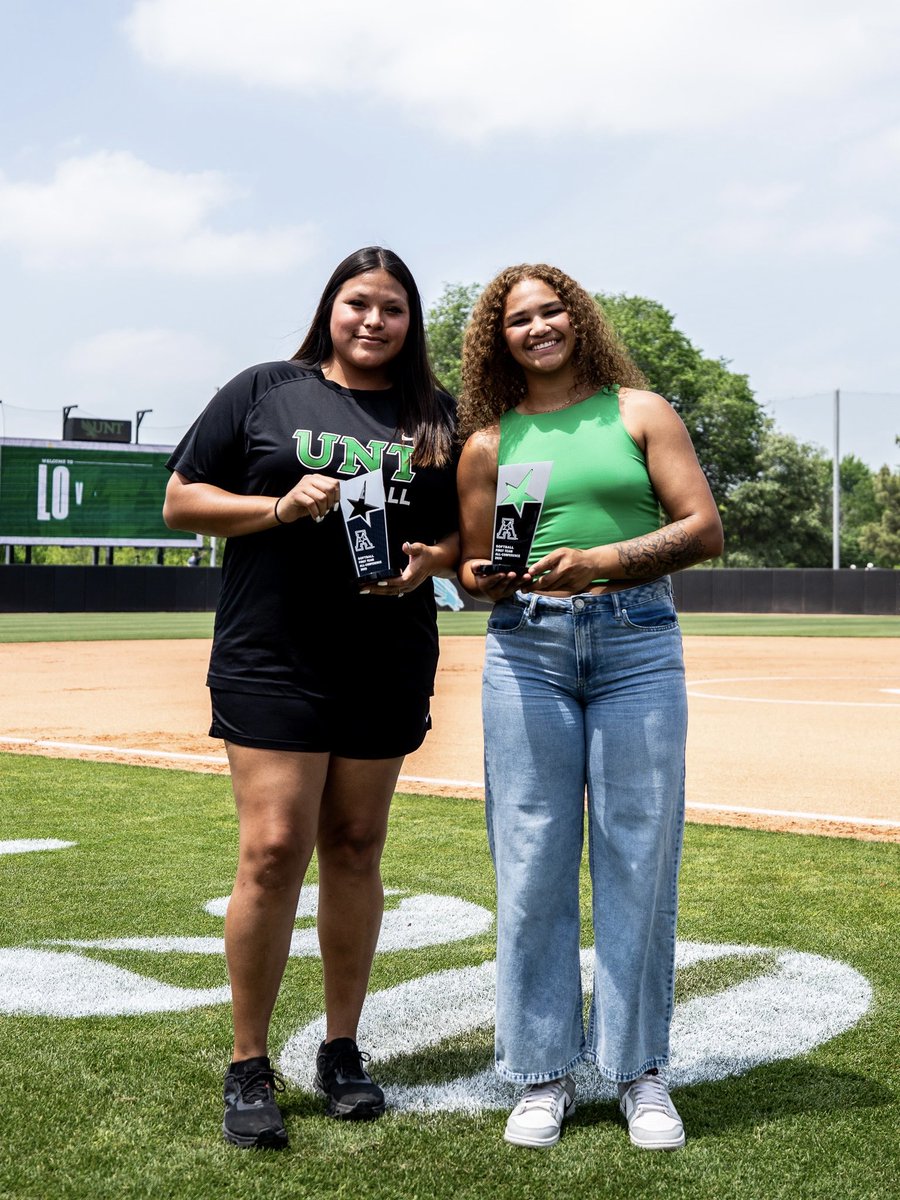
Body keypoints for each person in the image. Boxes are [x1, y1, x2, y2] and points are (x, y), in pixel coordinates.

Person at [163, 246, 459, 1149]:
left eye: (393, 309)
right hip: (273, 652)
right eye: (357, 303)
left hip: (385, 654)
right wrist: (279, 510)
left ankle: (340, 1049)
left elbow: (461, 528)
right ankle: (249, 1062)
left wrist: (431, 563)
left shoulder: (437, 415)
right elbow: (180, 501)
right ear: (331, 308)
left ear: (412, 324)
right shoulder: (266, 389)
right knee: (273, 848)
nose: (374, 321)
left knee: (358, 845)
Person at [456, 264, 723, 1151]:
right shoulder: (488, 443)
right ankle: (540, 1075)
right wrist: (477, 574)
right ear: (499, 339)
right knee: (531, 860)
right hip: (525, 649)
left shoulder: (641, 411)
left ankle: (640, 1071)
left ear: (578, 318)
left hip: (636, 643)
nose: (538, 326)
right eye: (518, 319)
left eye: (550, 310)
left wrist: (601, 563)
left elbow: (702, 529)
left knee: (638, 858)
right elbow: (471, 569)